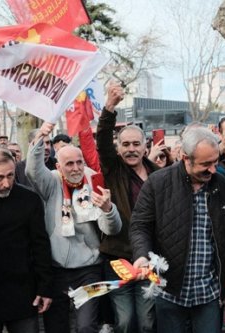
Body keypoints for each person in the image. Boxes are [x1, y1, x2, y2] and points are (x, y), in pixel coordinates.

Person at [130, 127, 225, 333]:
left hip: (209, 292)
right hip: (169, 289)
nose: (213, 169)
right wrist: (142, 255)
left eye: (215, 162)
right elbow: (140, 225)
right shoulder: (158, 183)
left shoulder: (224, 187)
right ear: (185, 158)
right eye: (205, 164)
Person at [26, 122, 122, 333]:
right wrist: (41, 137)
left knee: (86, 326)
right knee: (56, 326)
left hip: (89, 269)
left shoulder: (92, 180)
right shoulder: (51, 181)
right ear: (58, 167)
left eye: (79, 162)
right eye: (69, 164)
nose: (76, 168)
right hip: (56, 270)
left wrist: (108, 210)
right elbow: (33, 170)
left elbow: (112, 229)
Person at [0, 149, 53, 333]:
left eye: (10, 175)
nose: (6, 184)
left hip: (22, 292)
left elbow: (40, 245)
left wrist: (45, 287)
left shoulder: (29, 199)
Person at [96, 83, 158, 333]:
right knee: (124, 321)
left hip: (149, 261)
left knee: (147, 322)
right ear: (118, 148)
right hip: (117, 259)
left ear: (146, 146)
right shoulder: (114, 169)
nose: (131, 149)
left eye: (136, 144)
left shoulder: (159, 175)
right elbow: (101, 139)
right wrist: (109, 107)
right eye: (126, 144)